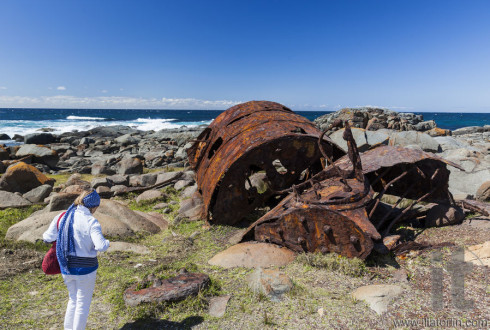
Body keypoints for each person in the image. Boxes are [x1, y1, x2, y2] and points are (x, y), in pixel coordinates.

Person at [43, 190, 110, 330]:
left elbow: (47, 237)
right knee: (82, 303)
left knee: (73, 300)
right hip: (86, 270)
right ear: (94, 206)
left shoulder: (62, 216)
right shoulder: (91, 221)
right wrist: (108, 242)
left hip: (66, 266)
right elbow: (101, 246)